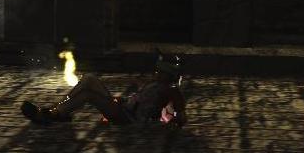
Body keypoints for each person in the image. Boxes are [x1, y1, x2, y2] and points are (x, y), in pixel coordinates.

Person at [21, 54, 187, 127]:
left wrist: (169, 120)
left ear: (168, 75)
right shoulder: (156, 84)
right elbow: (139, 98)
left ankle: (52, 114)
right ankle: (56, 110)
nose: (156, 73)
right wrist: (124, 100)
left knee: (88, 95)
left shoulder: (170, 90)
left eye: (160, 72)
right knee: (89, 78)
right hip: (124, 108)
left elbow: (180, 116)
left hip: (128, 117)